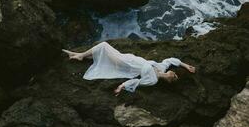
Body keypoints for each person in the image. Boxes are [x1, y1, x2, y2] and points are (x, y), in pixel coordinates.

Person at [62, 41, 196, 96]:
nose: (174, 73)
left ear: (169, 80)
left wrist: (121, 86)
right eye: (175, 74)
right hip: (129, 58)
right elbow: (172, 60)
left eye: (175, 77)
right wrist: (186, 66)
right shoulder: (162, 67)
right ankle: (79, 55)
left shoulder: (152, 80)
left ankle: (80, 56)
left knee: (103, 45)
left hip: (125, 64)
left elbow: (136, 82)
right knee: (101, 54)